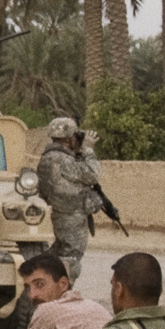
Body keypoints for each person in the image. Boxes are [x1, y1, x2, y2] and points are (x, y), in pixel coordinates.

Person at [35, 116, 104, 280]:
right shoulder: (62, 159)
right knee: (71, 260)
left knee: (58, 255)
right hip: (70, 216)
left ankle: (47, 286)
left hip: (61, 214)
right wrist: (88, 150)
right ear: (69, 138)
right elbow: (93, 174)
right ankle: (61, 294)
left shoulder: (49, 157)